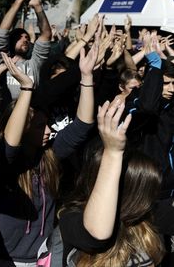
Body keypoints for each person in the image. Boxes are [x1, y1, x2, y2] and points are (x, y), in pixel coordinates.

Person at [0, 37, 97, 266]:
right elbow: (9, 143)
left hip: (43, 257)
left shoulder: (50, 153)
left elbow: (83, 125)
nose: (49, 130)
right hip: (7, 259)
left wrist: (86, 77)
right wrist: (26, 88)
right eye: (39, 126)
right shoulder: (6, 163)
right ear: (24, 130)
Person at [59, 100, 165, 266]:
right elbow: (96, 235)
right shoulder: (70, 218)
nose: (153, 199)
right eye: (148, 192)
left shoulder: (144, 221)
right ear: (131, 194)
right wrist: (112, 153)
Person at [0, 0, 52, 100]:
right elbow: (2, 32)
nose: (24, 39)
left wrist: (37, 6)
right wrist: (19, 0)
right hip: (6, 115)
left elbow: (46, 35)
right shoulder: (3, 60)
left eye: (27, 38)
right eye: (19, 37)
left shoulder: (34, 63)